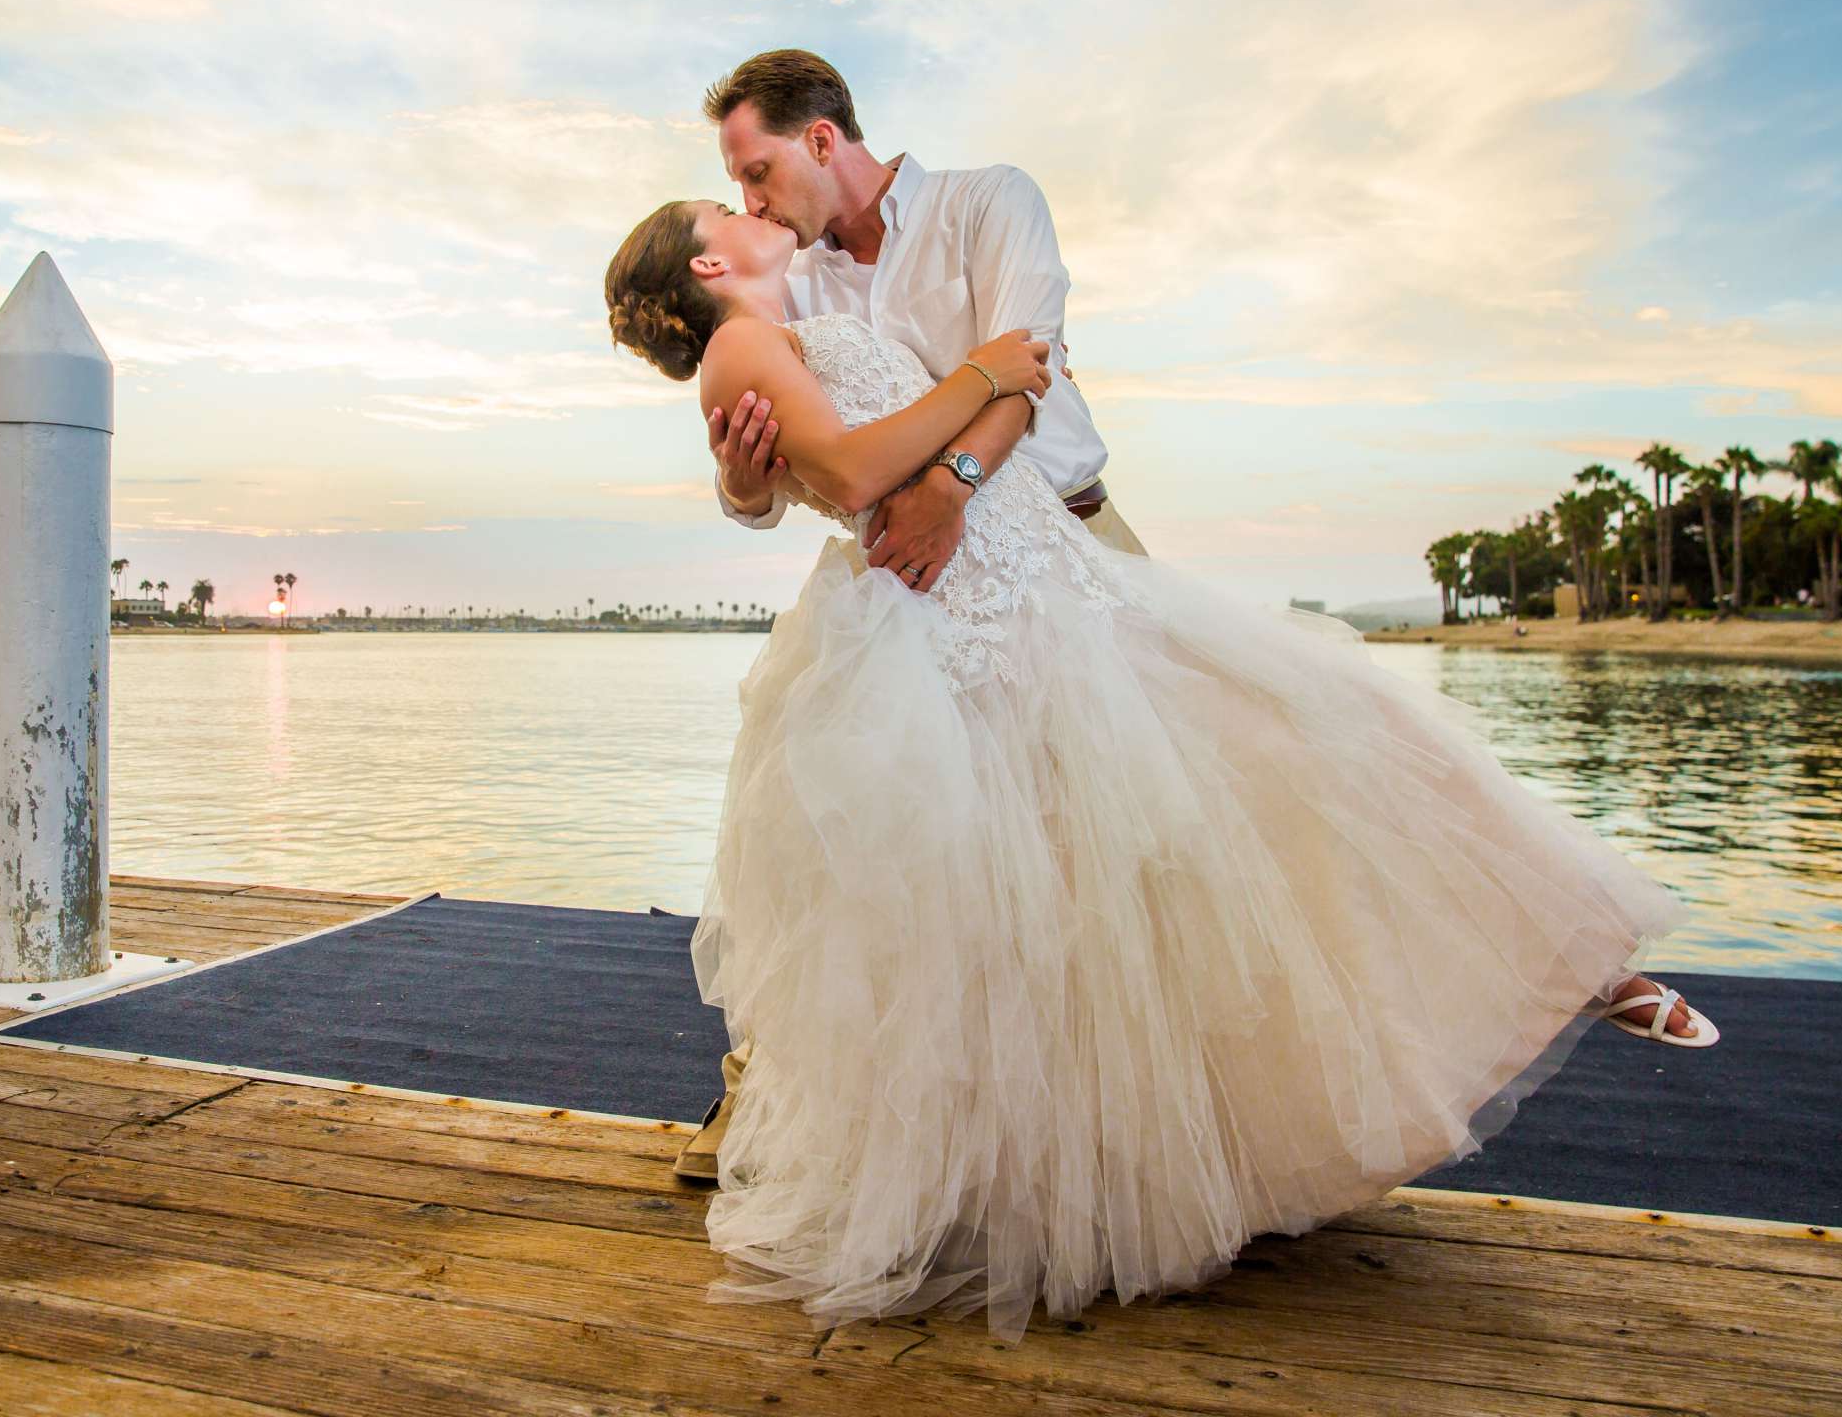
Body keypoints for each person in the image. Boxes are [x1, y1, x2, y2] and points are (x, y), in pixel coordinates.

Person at [602, 194, 1715, 1344]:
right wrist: (973, 375)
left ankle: (1555, 950)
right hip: (972, 612)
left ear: (821, 141)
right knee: (1081, 888)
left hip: (1051, 568)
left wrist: (982, 384)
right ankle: (1087, 1179)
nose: (747, 199)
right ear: (710, 258)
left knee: (1268, 763)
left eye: (751, 171)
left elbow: (987, 386)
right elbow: (844, 468)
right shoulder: (747, 336)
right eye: (721, 200)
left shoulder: (949, 223)